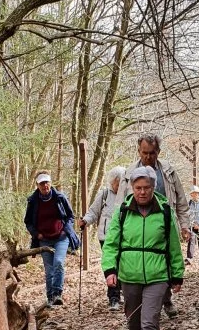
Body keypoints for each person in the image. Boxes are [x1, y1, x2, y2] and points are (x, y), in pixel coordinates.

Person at [102, 166, 184, 330]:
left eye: (147, 187)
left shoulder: (165, 211)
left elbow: (174, 246)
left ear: (153, 187)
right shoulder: (123, 211)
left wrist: (177, 274)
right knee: (134, 320)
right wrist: (110, 269)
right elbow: (111, 244)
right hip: (129, 276)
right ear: (132, 188)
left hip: (157, 276)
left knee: (150, 321)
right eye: (138, 188)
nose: (142, 192)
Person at [117, 133, 190, 317]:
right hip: (136, 222)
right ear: (139, 151)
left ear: (158, 151)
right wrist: (116, 228)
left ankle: (165, 299)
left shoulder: (168, 171)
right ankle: (145, 303)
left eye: (152, 152)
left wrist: (184, 225)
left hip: (164, 222)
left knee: (164, 261)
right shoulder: (129, 173)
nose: (148, 156)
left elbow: (180, 199)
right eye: (144, 153)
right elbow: (119, 204)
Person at [24, 171, 79, 307]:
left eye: (47, 182)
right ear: (37, 185)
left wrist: (66, 229)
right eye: (42, 183)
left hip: (61, 237)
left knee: (59, 263)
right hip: (44, 239)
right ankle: (50, 297)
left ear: (50, 183)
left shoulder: (59, 197)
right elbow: (28, 221)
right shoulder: (33, 201)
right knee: (49, 269)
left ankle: (57, 294)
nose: (45, 186)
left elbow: (70, 216)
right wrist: (37, 234)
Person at [78, 165, 126, 308]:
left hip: (124, 237)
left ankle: (121, 291)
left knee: (122, 265)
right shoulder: (104, 194)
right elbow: (93, 211)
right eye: (117, 183)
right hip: (106, 237)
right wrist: (85, 220)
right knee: (111, 267)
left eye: (122, 183)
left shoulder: (128, 195)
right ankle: (114, 298)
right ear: (113, 182)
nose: (119, 186)